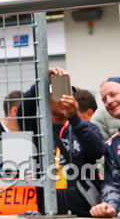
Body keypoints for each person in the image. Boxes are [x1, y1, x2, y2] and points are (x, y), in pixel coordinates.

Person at [17, 68, 104, 217]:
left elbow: (97, 151)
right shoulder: (39, 129)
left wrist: (74, 119)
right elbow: (23, 115)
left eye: (69, 94)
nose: (64, 97)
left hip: (86, 212)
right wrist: (40, 82)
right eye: (57, 92)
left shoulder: (85, 126)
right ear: (46, 98)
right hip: (50, 211)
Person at [91, 78, 120, 218]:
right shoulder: (113, 144)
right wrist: (110, 206)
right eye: (103, 99)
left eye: (113, 94)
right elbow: (113, 183)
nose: (108, 101)